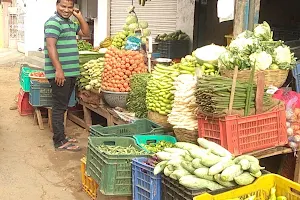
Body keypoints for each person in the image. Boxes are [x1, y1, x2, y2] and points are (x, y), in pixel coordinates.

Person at [44, 0, 89, 151]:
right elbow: (51, 46)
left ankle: (61, 136)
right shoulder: (53, 22)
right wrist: (59, 70)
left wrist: (80, 17)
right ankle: (59, 141)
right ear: (56, 6)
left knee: (62, 107)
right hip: (61, 74)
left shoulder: (70, 23)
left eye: (70, 7)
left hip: (70, 73)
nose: (66, 10)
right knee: (59, 107)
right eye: (63, 6)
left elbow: (86, 33)